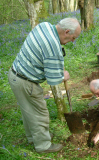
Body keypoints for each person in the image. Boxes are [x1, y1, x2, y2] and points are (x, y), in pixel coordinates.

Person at [8, 17, 81, 153]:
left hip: (15, 74)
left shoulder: (45, 26)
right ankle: (43, 145)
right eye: (73, 37)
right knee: (40, 113)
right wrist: (62, 75)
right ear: (66, 32)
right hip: (26, 82)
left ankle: (34, 137)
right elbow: (53, 80)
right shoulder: (53, 47)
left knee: (28, 111)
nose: (73, 41)